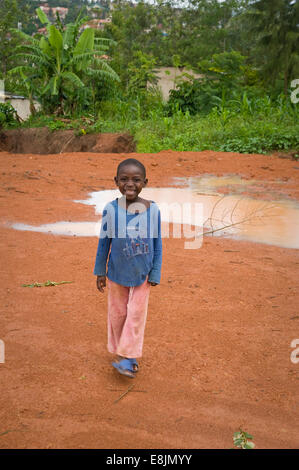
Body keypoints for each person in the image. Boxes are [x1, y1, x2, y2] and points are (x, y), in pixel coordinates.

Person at [94, 158, 162, 378]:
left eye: (136, 179)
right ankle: (121, 351)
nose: (130, 184)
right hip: (116, 272)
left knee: (135, 314)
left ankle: (129, 358)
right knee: (118, 314)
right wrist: (100, 271)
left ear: (145, 182)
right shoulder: (111, 210)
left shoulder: (153, 210)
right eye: (124, 179)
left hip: (143, 273)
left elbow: (157, 242)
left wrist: (155, 271)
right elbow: (104, 242)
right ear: (116, 182)